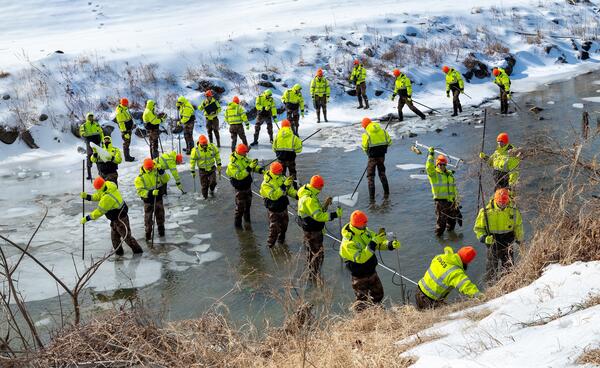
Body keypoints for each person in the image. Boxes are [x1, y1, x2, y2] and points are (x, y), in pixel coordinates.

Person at [339, 210, 401, 311]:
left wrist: (389, 245)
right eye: (364, 223)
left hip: (372, 272)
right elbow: (361, 258)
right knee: (362, 302)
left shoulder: (365, 231)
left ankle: (378, 312)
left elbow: (377, 241)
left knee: (378, 295)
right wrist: (373, 242)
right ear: (358, 224)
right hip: (359, 277)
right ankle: (363, 319)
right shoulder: (347, 243)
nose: (366, 224)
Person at [80, 176, 143, 256]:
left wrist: (87, 218)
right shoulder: (108, 185)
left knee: (127, 238)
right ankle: (119, 254)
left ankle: (138, 252)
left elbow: (99, 211)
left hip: (121, 220)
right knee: (115, 239)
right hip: (114, 219)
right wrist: (88, 197)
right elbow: (99, 195)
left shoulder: (107, 198)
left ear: (99, 188)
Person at [474, 188, 524, 283]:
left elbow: (518, 227)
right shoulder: (485, 212)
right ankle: (491, 289)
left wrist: (520, 240)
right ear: (495, 200)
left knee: (509, 268)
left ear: (508, 200)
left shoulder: (513, 211)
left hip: (508, 244)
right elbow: (478, 228)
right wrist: (484, 238)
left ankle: (508, 285)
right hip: (493, 244)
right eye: (500, 202)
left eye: (504, 202)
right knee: (491, 270)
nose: (502, 204)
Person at [297, 175, 342, 277]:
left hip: (310, 230)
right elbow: (318, 216)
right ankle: (314, 276)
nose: (322, 189)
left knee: (311, 253)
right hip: (312, 232)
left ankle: (312, 273)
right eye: (321, 187)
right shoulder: (309, 199)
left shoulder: (308, 193)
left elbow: (314, 211)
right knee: (317, 255)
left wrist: (325, 204)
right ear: (318, 186)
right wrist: (335, 214)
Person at [415, 246, 481, 309]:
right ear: (466, 262)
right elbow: (467, 287)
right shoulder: (455, 272)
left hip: (418, 291)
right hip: (429, 300)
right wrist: (481, 297)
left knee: (421, 313)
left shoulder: (440, 257)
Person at [225, 144, 264, 229]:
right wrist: (249, 168)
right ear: (240, 153)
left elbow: (252, 165)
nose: (246, 154)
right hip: (240, 190)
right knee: (240, 209)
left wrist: (260, 169)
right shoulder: (232, 164)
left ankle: (247, 223)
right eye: (245, 152)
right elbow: (239, 176)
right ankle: (238, 227)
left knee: (248, 207)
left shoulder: (244, 158)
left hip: (247, 187)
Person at [259, 161, 297, 248]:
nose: (281, 172)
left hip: (283, 208)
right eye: (279, 170)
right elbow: (274, 196)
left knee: (284, 227)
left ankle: (281, 243)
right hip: (274, 210)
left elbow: (289, 190)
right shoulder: (266, 183)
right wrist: (284, 186)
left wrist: (297, 195)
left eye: (281, 170)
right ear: (275, 171)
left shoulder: (282, 177)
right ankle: (270, 246)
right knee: (274, 230)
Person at [425, 147, 461, 237]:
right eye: (439, 164)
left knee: (452, 222)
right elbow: (429, 167)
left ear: (446, 165)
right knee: (441, 224)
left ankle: (451, 239)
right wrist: (431, 155)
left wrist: (456, 202)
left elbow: (454, 189)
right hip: (441, 202)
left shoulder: (450, 175)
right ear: (437, 165)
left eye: (443, 164)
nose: (441, 166)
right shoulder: (434, 174)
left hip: (451, 201)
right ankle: (439, 240)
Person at [134, 158, 170, 241]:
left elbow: (166, 179)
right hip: (148, 201)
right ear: (145, 167)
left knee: (160, 216)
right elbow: (140, 191)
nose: (150, 169)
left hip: (158, 199)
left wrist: (162, 172)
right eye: (148, 168)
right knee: (148, 219)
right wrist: (150, 193)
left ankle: (161, 231)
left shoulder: (157, 172)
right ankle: (148, 234)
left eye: (151, 167)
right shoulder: (140, 178)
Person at [361, 117, 391, 201]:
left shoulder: (366, 134)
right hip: (382, 156)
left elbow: (364, 147)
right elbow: (390, 142)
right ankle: (387, 193)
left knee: (370, 176)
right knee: (382, 173)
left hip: (372, 157)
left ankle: (372, 199)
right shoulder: (383, 131)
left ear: (365, 125)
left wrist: (368, 153)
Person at [191, 135, 221, 199]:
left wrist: (219, 164)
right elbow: (192, 161)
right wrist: (192, 170)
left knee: (213, 182)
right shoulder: (195, 150)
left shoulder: (212, 147)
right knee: (204, 185)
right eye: (203, 145)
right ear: (200, 143)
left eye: (205, 144)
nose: (204, 146)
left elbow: (217, 154)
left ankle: (212, 190)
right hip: (202, 170)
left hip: (212, 168)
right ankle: (205, 197)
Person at [79, 112, 104, 180]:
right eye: (89, 117)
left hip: (97, 142)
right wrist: (84, 134)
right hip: (89, 143)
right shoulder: (84, 125)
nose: (91, 118)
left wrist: (102, 141)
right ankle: (89, 175)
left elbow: (101, 132)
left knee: (98, 157)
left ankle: (100, 173)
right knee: (89, 157)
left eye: (91, 116)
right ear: (87, 117)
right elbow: (81, 132)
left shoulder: (96, 124)